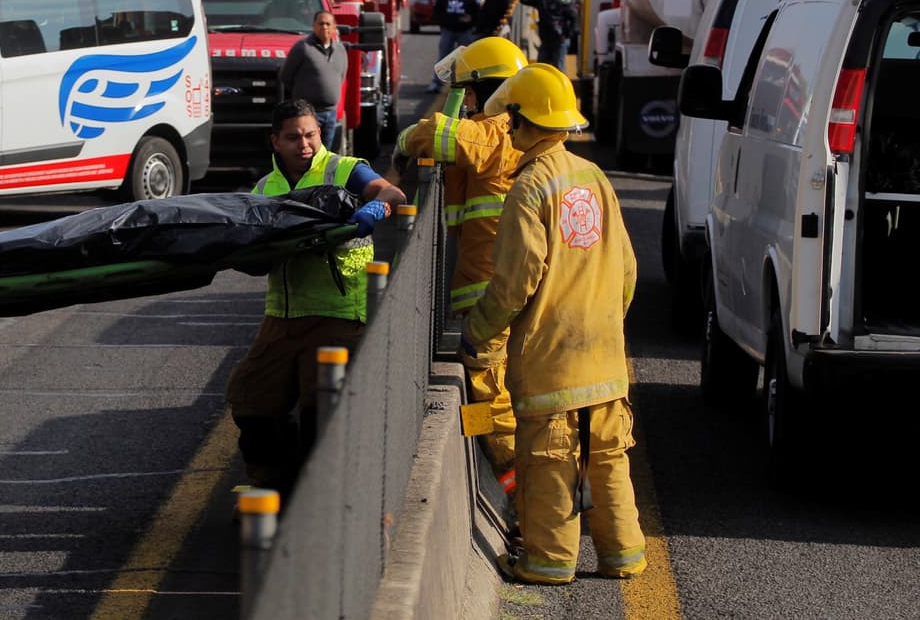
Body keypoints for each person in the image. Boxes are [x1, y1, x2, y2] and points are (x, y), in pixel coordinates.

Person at [463, 63, 645, 585]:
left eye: (510, 119)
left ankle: (548, 562)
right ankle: (623, 556)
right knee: (607, 458)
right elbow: (627, 269)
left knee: (550, 462)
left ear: (522, 120)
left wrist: (479, 332)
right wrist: (606, 322)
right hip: (605, 356)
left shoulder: (530, 188)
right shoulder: (594, 176)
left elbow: (514, 284)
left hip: (551, 362)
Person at [227, 99, 406, 500]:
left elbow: (390, 190)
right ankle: (273, 483)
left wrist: (378, 205)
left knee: (320, 409)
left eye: (309, 135)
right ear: (275, 141)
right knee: (250, 397)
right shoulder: (264, 189)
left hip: (337, 312)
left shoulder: (342, 169)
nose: (303, 144)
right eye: (292, 137)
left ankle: (314, 500)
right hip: (283, 315)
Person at [391, 37, 527, 479]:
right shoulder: (512, 132)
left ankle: (518, 491)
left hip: (491, 298)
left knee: (491, 394)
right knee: (496, 389)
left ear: (490, 89)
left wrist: (402, 145)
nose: (466, 102)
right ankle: (501, 473)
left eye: (470, 92)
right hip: (496, 293)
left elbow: (435, 133)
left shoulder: (496, 133)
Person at [281, 10, 347, 150]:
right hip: (308, 115)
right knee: (308, 153)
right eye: (320, 23)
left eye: (328, 24)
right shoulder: (303, 48)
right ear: (314, 26)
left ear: (334, 27)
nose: (324, 27)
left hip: (331, 114)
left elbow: (341, 76)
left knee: (326, 154)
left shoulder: (340, 50)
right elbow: (286, 76)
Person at [429, 0, 479, 93]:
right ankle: (437, 83)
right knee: (443, 58)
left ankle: (467, 84)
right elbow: (437, 12)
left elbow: (477, 13)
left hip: (465, 31)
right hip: (449, 30)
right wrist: (451, 20)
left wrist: (470, 19)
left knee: (466, 58)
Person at [518, 0, 575, 71]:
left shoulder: (560, 1)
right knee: (541, 68)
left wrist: (567, 34)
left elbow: (573, 17)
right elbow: (525, 0)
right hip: (546, 40)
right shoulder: (541, 0)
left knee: (558, 69)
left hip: (559, 41)